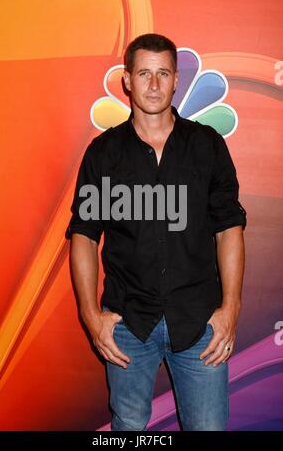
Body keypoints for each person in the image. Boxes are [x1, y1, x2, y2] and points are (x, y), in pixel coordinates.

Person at [65, 33, 247, 431]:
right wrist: (91, 316)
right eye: (143, 73)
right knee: (128, 427)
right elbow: (84, 235)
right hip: (128, 323)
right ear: (127, 80)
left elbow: (229, 228)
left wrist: (230, 309)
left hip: (200, 323)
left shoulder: (207, 146)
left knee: (209, 427)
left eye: (162, 73)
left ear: (176, 79)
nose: (153, 84)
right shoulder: (105, 153)